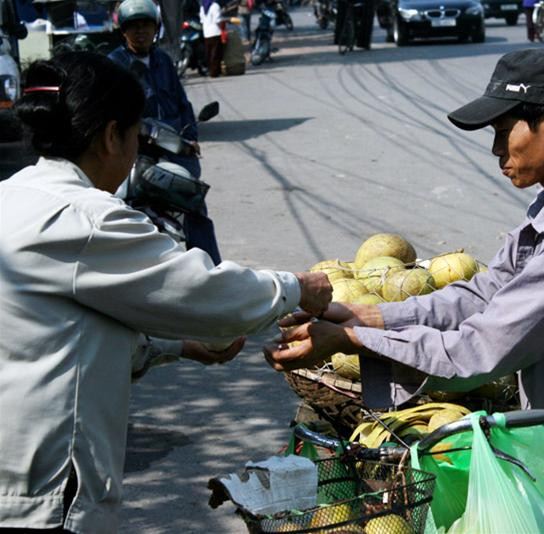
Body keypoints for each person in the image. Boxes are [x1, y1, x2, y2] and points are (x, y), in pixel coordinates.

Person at [265, 49, 544, 534]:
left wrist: (350, 341)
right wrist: (370, 318)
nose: (495, 150)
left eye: (503, 131)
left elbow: (480, 350)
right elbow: (486, 292)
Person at [0, 51, 332, 533]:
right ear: (111, 136)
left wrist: (177, 348)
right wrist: (297, 287)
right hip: (45, 494)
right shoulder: (87, 219)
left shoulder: (12, 197)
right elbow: (202, 294)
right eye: (136, 136)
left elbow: (60, 338)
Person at [109, 0, 223, 264]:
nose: (141, 32)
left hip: (171, 147)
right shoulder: (115, 64)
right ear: (123, 31)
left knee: (195, 207)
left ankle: (213, 269)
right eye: (134, 26)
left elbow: (182, 103)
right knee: (117, 206)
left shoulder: (163, 60)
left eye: (146, 26)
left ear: (155, 28)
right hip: (135, 149)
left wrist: (191, 136)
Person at [200, 0, 223, 77]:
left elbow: (202, 20)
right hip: (215, 32)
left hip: (206, 33)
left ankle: (210, 70)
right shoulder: (215, 6)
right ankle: (214, 72)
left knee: (208, 53)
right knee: (216, 53)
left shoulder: (202, 7)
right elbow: (217, 20)